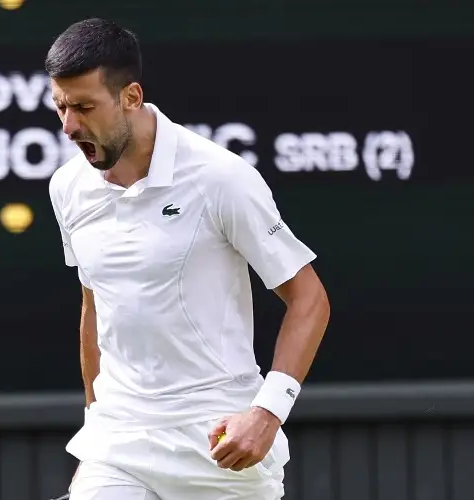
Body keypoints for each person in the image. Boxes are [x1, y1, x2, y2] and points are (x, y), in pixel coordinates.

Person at [46, 19, 330, 500]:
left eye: (84, 107)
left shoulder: (220, 178)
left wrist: (266, 413)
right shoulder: (67, 187)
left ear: (131, 97)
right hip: (121, 444)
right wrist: (97, 437)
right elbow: (96, 309)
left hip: (218, 441)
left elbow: (309, 299)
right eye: (60, 107)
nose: (70, 126)